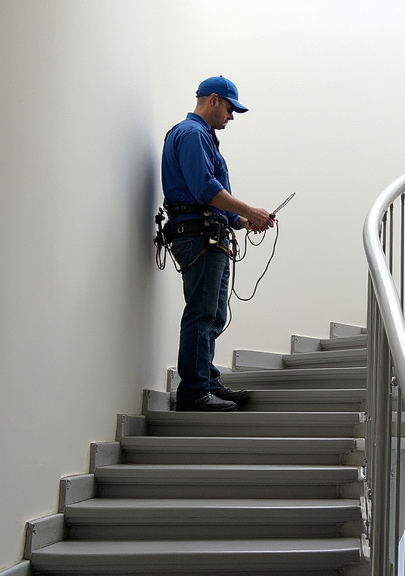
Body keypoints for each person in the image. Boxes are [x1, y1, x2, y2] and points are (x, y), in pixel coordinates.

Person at [161, 75, 275, 411]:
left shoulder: (199, 136)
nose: (231, 116)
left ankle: (206, 381)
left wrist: (240, 220)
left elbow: (207, 197)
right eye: (229, 108)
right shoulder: (193, 133)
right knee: (202, 313)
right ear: (213, 100)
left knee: (213, 314)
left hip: (207, 233)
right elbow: (205, 189)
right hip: (199, 237)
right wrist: (249, 210)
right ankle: (194, 392)